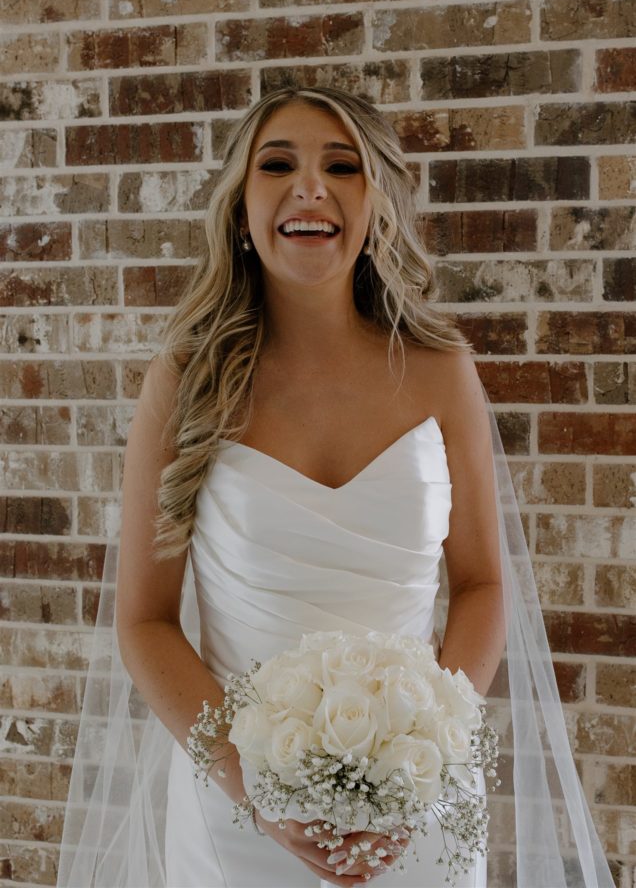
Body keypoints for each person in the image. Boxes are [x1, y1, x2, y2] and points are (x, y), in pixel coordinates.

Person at [57, 85, 614, 888]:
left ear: (376, 200)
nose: (309, 187)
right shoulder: (186, 381)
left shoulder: (440, 371)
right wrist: (259, 790)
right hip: (238, 809)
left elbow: (484, 583)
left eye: (342, 166)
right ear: (241, 209)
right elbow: (144, 621)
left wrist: (425, 755)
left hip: (415, 807)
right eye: (277, 164)